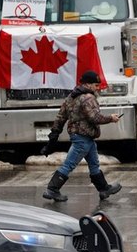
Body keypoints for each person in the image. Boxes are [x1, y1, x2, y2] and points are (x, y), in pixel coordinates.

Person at [41, 71, 122, 202]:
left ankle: (104, 189)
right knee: (69, 165)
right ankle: (52, 189)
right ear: (88, 84)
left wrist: (55, 133)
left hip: (86, 139)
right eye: (96, 85)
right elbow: (94, 117)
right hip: (82, 139)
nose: (97, 88)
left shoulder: (71, 97)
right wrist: (111, 118)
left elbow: (61, 117)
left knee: (94, 165)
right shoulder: (88, 98)